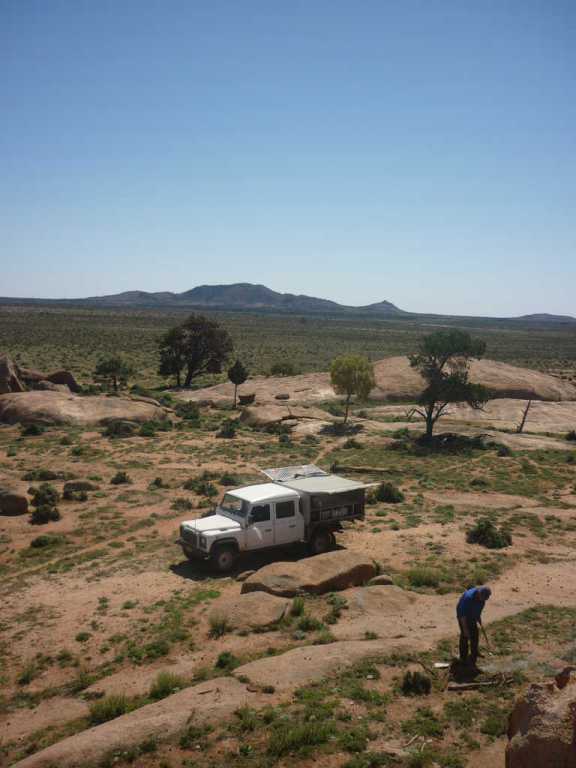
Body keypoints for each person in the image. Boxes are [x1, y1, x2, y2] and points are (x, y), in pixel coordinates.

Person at [456, 585, 491, 666]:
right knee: (465, 636)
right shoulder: (468, 598)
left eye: (486, 598)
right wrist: (465, 629)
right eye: (484, 598)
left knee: (475, 634)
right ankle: (463, 657)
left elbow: (478, 609)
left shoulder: (482, 599)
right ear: (479, 594)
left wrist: (478, 619)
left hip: (472, 615)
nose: (485, 600)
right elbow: (462, 615)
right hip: (463, 616)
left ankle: (474, 652)